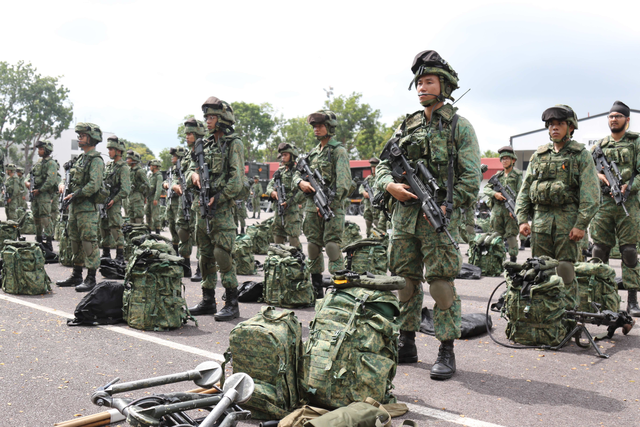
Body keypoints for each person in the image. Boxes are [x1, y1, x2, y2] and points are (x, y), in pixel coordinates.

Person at [376, 50, 480, 380]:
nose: (422, 87)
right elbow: (380, 164)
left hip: (438, 219)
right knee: (405, 283)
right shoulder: (405, 127)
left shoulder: (459, 127)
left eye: (429, 81)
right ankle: (406, 342)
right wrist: (390, 185)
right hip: (404, 219)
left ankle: (446, 349)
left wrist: (449, 202)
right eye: (419, 82)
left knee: (440, 286)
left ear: (444, 86)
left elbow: (471, 177)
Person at [516, 104, 600, 307]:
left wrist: (581, 224)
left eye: (560, 124)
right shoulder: (539, 156)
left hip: (568, 222)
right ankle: (545, 318)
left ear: (571, 127)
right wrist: (522, 219)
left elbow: (591, 194)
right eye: (551, 124)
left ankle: (569, 317)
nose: (554, 128)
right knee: (540, 269)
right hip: (541, 223)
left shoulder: (581, 155)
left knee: (565, 270)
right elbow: (525, 191)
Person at [187, 96, 245, 321]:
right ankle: (208, 300)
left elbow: (237, 178)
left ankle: (231, 303)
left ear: (222, 119)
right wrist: (192, 175)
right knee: (204, 256)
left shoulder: (233, 143)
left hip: (221, 209)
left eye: (211, 117)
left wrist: (219, 197)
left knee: (223, 255)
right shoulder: (203, 144)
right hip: (201, 209)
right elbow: (190, 166)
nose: (207, 121)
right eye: (206, 117)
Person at [589, 101, 640, 317]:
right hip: (604, 205)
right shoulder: (598, 146)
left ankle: (632, 300)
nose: (613, 119)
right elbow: (587, 171)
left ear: (627, 120)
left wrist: (630, 186)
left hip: (629, 203)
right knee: (599, 250)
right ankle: (602, 298)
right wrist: (599, 176)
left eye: (618, 116)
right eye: (611, 116)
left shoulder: (636, 142)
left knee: (629, 252)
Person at [293, 109, 351, 298]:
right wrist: (300, 182)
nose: (316, 129)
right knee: (313, 247)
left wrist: (328, 205)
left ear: (330, 127)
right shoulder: (312, 154)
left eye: (320, 125)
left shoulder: (338, 151)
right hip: (312, 208)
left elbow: (343, 184)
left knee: (333, 247)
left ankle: (339, 291)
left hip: (330, 207)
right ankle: (316, 289)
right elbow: (296, 174)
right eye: (314, 126)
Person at [56, 123, 106, 292]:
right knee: (75, 241)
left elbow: (94, 185)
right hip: (75, 208)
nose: (79, 138)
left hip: (87, 208)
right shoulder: (80, 159)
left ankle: (91, 278)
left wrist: (75, 194)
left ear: (91, 138)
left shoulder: (96, 160)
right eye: (79, 135)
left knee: (89, 242)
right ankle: (76, 275)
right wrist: (63, 186)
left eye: (82, 135)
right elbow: (70, 179)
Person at [482, 146, 523, 262]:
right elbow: (486, 189)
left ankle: (513, 262)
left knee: (511, 237)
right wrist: (495, 194)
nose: (504, 161)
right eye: (502, 159)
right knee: (495, 235)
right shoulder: (497, 175)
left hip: (510, 210)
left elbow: (521, 194)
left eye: (507, 158)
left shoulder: (517, 175)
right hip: (497, 210)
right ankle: (496, 261)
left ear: (513, 160)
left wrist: (516, 210)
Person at [266, 142, 303, 249]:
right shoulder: (279, 172)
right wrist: (272, 193)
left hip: (291, 210)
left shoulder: (297, 172)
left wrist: (289, 202)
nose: (283, 157)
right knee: (278, 236)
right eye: (282, 155)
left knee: (293, 239)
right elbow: (269, 186)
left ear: (292, 156)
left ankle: (296, 261)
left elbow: (302, 192)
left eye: (285, 155)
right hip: (278, 209)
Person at [99, 136, 131, 262]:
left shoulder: (123, 167)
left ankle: (119, 255)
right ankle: (106, 253)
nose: (109, 151)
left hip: (114, 202)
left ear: (118, 151)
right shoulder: (109, 165)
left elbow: (125, 189)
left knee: (115, 227)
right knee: (103, 227)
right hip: (104, 201)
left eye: (111, 149)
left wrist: (114, 199)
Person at [25, 141, 58, 251]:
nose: (39, 151)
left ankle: (48, 242)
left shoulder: (51, 163)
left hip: (44, 195)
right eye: (38, 149)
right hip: (35, 194)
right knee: (36, 218)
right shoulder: (39, 163)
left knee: (45, 218)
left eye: (41, 149)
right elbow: (30, 175)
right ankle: (39, 240)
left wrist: (40, 190)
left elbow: (51, 181)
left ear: (47, 150)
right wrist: (27, 183)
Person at [126, 151, 149, 224]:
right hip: (130, 197)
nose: (127, 160)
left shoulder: (140, 171)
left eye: (129, 158)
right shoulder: (129, 170)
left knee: (138, 218)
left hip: (138, 197)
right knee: (131, 217)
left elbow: (147, 185)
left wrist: (144, 196)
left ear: (134, 160)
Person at [359, 157, 380, 237]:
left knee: (377, 223)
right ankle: (368, 238)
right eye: (372, 167)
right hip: (368, 205)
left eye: (374, 167)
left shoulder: (379, 178)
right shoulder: (368, 178)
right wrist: (364, 192)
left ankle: (380, 240)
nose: (373, 169)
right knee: (368, 222)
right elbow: (361, 187)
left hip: (376, 207)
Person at [146, 159, 164, 233]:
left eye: (151, 165)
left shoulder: (159, 176)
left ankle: (158, 232)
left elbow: (158, 188)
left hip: (154, 198)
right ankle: (149, 231)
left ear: (155, 166)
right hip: (149, 198)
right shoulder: (151, 175)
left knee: (156, 216)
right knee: (147, 214)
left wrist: (156, 198)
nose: (150, 167)